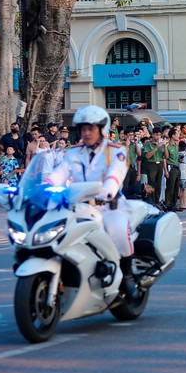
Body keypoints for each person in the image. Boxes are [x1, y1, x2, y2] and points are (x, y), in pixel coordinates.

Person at [44, 106, 138, 297]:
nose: (86, 133)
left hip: (109, 206)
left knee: (119, 231)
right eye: (83, 129)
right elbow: (60, 172)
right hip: (81, 208)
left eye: (91, 129)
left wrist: (106, 191)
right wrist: (44, 187)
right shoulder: (73, 153)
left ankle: (127, 276)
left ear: (102, 129)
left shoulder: (116, 151)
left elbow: (115, 175)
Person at [163, 130, 181, 210]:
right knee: (170, 187)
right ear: (173, 136)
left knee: (176, 187)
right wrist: (166, 171)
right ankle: (168, 204)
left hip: (177, 167)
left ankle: (174, 204)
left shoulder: (176, 146)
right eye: (177, 134)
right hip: (171, 167)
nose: (178, 136)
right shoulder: (167, 146)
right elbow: (165, 158)